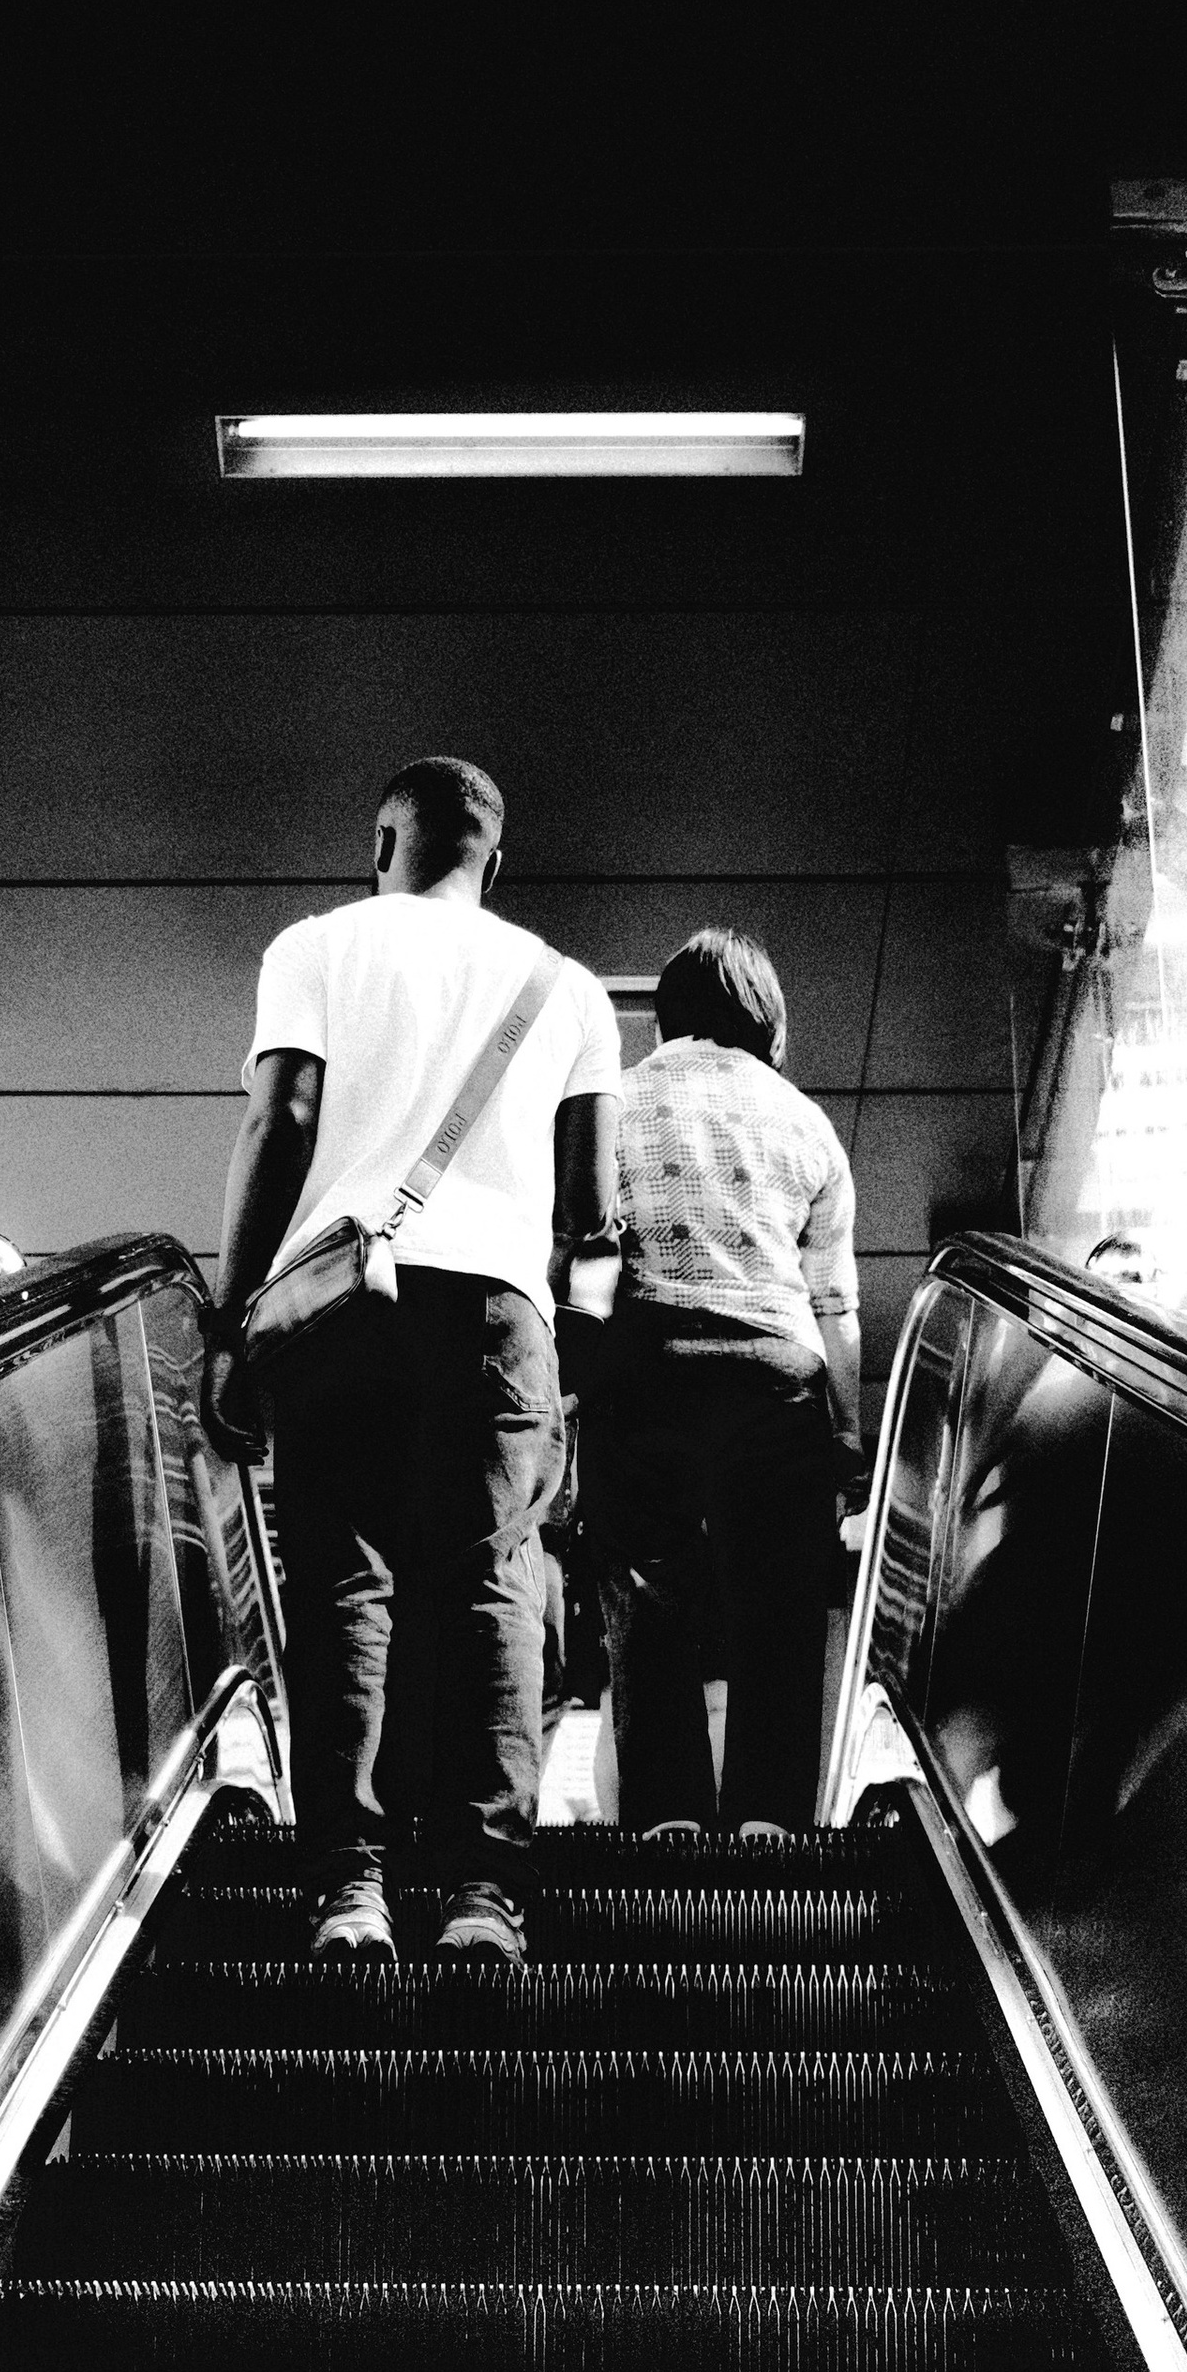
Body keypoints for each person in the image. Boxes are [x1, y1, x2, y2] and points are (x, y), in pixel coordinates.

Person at [200, 756, 619, 1959]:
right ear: (499, 857)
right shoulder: (570, 989)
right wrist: (563, 1361)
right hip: (500, 1310)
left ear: (381, 840)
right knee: (492, 1577)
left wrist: (235, 1318)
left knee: (345, 1579)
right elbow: (589, 1216)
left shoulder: (317, 946)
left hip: (343, 1307)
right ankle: (485, 1895)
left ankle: (351, 1886)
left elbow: (277, 1119)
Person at [583, 925, 859, 1834]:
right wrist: (846, 1434)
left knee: (646, 1595)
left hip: (646, 1369)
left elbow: (581, 1253)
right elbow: (835, 1306)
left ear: (667, 1016)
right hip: (774, 1380)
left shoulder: (613, 1103)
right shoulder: (804, 1120)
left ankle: (665, 1819)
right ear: (766, 1018)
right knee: (778, 1607)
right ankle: (768, 1824)